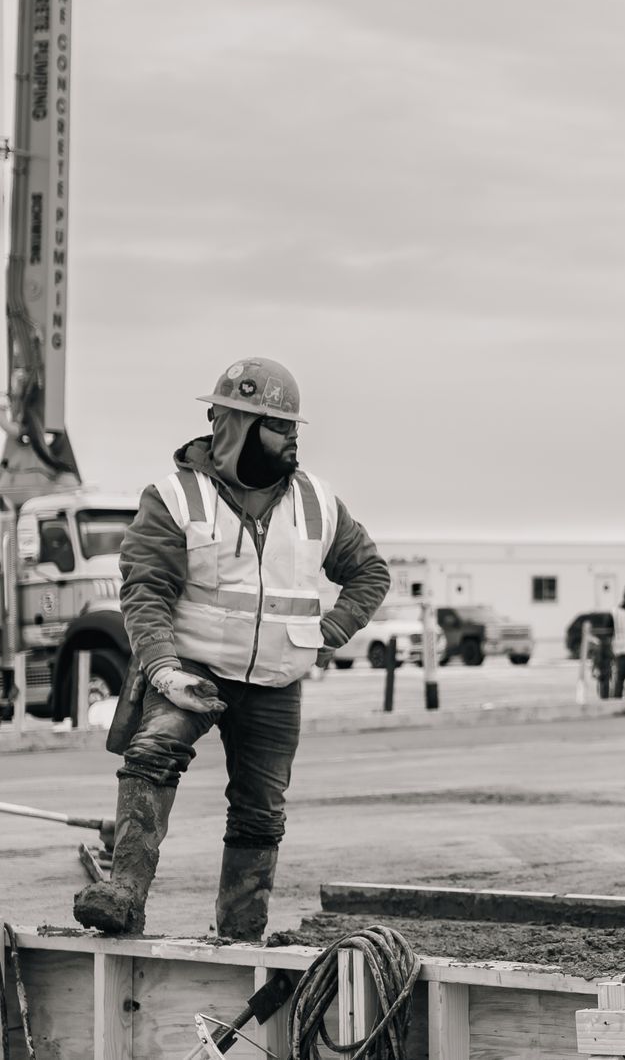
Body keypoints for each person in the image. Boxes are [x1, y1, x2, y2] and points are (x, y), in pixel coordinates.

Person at [73, 358, 390, 939]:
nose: (293, 440)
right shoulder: (175, 497)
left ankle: (242, 932)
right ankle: (122, 894)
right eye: (281, 427)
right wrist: (164, 669)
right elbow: (146, 589)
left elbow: (369, 572)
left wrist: (331, 632)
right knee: (154, 751)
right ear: (238, 426)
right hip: (191, 668)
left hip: (274, 681)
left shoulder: (316, 502)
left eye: (294, 428)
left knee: (260, 810)